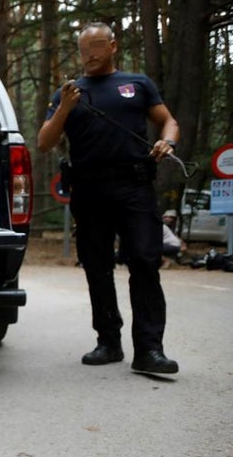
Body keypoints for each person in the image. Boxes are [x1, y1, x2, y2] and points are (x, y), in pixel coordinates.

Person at [38, 22, 180, 375]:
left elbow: (169, 122)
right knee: (97, 266)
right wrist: (64, 109)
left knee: (145, 262)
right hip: (89, 189)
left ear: (113, 46)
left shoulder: (137, 84)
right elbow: (43, 141)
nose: (90, 55)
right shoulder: (68, 92)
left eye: (97, 46)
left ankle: (149, 350)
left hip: (133, 187)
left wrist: (168, 141)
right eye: (84, 49)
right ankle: (108, 342)